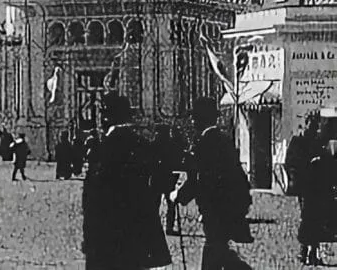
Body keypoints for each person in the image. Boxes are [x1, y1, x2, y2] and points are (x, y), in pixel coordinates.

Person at [81, 93, 171, 270]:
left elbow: (93, 200)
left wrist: (89, 237)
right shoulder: (143, 144)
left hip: (107, 237)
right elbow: (161, 182)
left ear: (107, 116)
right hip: (138, 235)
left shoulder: (103, 149)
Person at [172, 97, 254, 270]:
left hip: (216, 208)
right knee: (219, 249)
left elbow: (199, 179)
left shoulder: (205, 143)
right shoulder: (223, 140)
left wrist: (178, 195)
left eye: (195, 117)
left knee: (215, 249)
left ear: (200, 119)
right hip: (228, 206)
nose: (192, 121)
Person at [297, 140, 336, 265]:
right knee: (311, 227)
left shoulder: (317, 164)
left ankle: (308, 253)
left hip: (316, 203)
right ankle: (308, 253)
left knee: (310, 227)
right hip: (316, 203)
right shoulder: (319, 165)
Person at [151, 125, 186, 236]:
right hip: (166, 177)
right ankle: (168, 227)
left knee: (159, 204)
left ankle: (158, 228)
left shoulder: (154, 145)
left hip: (160, 177)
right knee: (169, 204)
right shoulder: (170, 145)